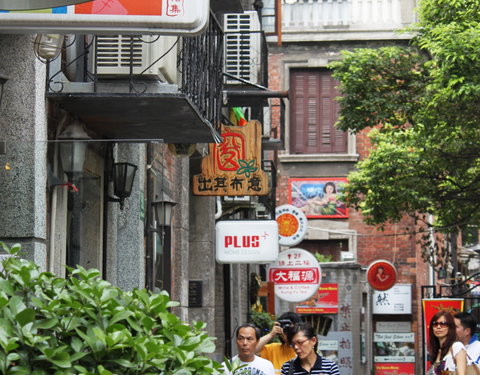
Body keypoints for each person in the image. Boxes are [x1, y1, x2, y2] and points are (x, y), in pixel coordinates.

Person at [428, 310, 467, 375]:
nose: (438, 327)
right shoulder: (438, 350)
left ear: (450, 327)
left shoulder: (457, 346)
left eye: (443, 324)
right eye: (435, 324)